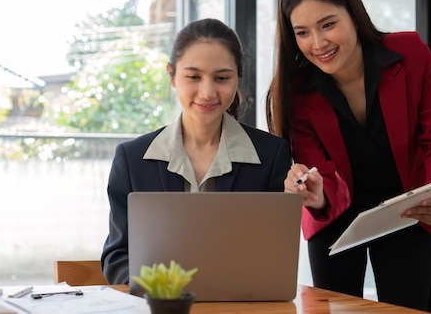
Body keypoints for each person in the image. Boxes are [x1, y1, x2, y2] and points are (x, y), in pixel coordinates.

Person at [265, 0, 431, 311]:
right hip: (336, 216)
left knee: (408, 307)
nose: (318, 43)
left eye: (328, 24)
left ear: (354, 13)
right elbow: (319, 171)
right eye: (302, 32)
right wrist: (314, 194)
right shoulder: (297, 92)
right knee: (334, 309)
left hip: (407, 206)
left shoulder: (411, 54)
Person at [101, 18, 292, 284]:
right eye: (193, 77)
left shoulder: (272, 156)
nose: (207, 92)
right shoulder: (132, 160)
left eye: (222, 78)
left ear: (238, 77)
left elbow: (276, 253)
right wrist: (160, 292)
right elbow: (117, 256)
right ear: (172, 76)